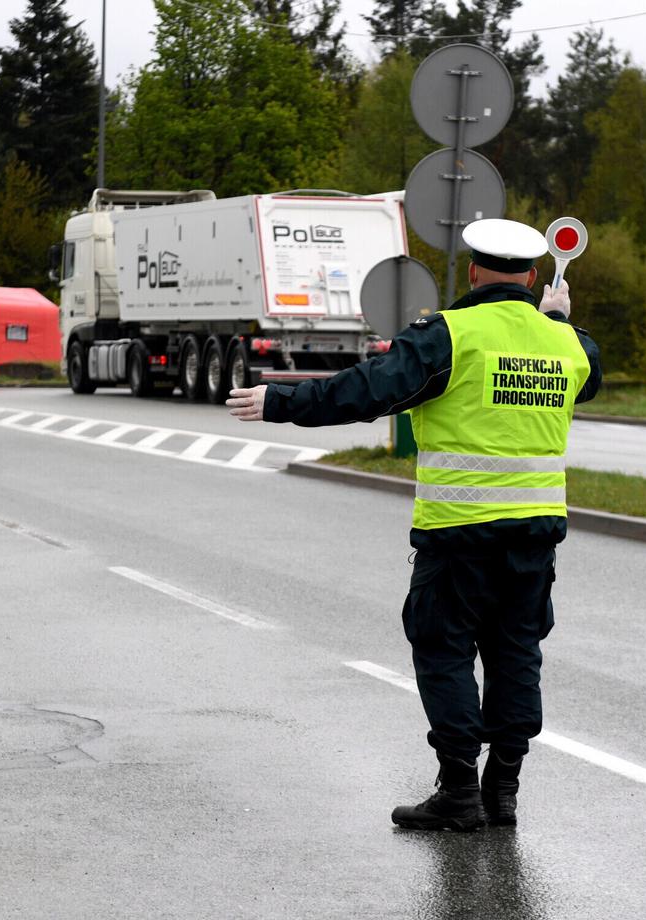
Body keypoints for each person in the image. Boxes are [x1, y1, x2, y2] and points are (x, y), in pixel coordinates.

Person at [226, 218, 601, 831]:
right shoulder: (568, 344)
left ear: (475, 271)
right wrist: (557, 320)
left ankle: (458, 793)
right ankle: (502, 791)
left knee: (444, 650)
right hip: (535, 537)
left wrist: (280, 402)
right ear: (532, 278)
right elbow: (588, 372)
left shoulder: (448, 335)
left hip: (460, 536)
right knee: (516, 655)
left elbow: (368, 389)